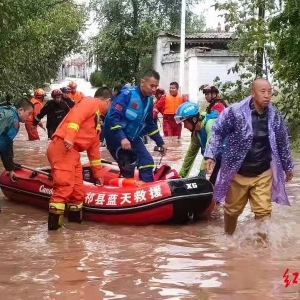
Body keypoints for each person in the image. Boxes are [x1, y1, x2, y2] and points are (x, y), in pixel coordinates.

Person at [204, 78, 294, 235]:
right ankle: (229, 239)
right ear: (253, 93)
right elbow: (218, 131)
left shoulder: (275, 116)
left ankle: (262, 249)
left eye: (270, 91)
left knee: (263, 212)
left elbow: (282, 142)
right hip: (238, 171)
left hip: (263, 172)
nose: (267, 95)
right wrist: (210, 155)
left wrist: (288, 167)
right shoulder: (235, 112)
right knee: (232, 211)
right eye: (263, 91)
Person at [46, 90, 111, 230]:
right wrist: (70, 136)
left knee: (77, 193)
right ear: (108, 101)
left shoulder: (97, 122)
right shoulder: (91, 102)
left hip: (72, 152)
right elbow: (76, 116)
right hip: (62, 146)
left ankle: (74, 234)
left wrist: (98, 174)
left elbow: (94, 151)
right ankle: (55, 235)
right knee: (63, 187)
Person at [103, 69, 167, 182]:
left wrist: (160, 142)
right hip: (115, 137)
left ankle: (147, 193)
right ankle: (124, 189)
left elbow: (149, 124)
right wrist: (122, 138)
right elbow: (112, 118)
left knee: (147, 162)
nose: (153, 90)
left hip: (132, 137)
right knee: (128, 165)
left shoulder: (149, 101)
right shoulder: (126, 95)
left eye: (155, 87)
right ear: (142, 82)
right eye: (151, 86)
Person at [175, 99, 225, 183]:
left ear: (193, 120)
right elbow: (191, 154)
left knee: (217, 187)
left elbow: (210, 148)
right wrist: (181, 176)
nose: (184, 126)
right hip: (220, 159)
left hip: (231, 159)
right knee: (213, 185)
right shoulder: (196, 132)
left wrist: (202, 171)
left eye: (185, 123)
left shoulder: (210, 124)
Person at [0, 98, 33, 182]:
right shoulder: (13, 119)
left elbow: (7, 142)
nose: (29, 117)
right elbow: (4, 144)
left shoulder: (5, 110)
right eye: (29, 113)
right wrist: (10, 167)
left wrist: (9, 166)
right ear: (20, 110)